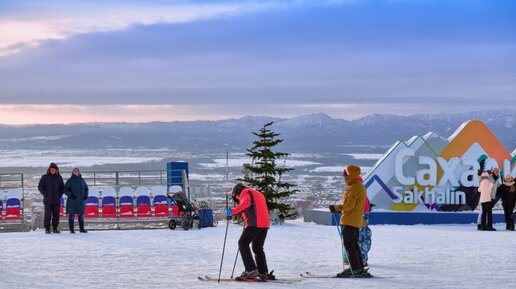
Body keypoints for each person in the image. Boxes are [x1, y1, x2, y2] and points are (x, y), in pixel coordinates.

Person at [226, 183, 272, 281]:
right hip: (264, 223)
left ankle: (251, 270)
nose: (238, 199)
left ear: (237, 192)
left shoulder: (245, 192)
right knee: (257, 248)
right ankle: (263, 272)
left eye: (237, 198)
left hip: (255, 223)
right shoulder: (258, 193)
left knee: (242, 243)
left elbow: (246, 204)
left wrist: (233, 212)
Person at [329, 165, 368, 277]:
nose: (344, 177)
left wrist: (336, 208)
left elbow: (350, 205)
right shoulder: (360, 186)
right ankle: (358, 268)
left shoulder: (354, 188)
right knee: (354, 245)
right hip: (355, 220)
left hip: (349, 220)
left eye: (345, 174)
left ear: (350, 175)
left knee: (349, 245)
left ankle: (355, 269)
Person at [38, 162, 64, 234]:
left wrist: (59, 195)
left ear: (56, 170)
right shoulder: (44, 177)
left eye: (54, 169)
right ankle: (47, 229)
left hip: (56, 200)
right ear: (49, 170)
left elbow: (62, 188)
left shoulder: (59, 177)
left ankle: (55, 228)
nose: (53, 170)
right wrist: (45, 194)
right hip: (47, 200)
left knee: (56, 215)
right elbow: (40, 187)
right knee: (47, 214)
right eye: (51, 169)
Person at [64, 168, 89, 233]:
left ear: (79, 172)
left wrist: (86, 195)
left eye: (77, 171)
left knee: (81, 215)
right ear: (72, 172)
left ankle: (82, 229)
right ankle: (72, 230)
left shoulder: (82, 180)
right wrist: (70, 195)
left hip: (80, 201)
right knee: (71, 215)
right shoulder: (70, 180)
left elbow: (86, 188)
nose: (76, 172)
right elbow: (65, 189)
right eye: (74, 171)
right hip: (72, 201)